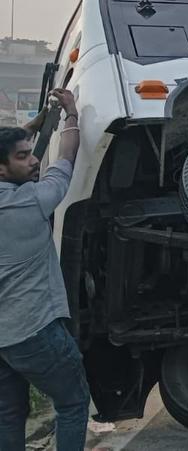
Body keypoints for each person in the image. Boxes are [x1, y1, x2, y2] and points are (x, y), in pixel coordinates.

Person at [0, 89, 90, 451]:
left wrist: (34, 125)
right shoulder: (29, 203)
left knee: (8, 415)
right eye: (24, 157)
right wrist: (71, 116)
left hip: (3, 338)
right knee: (72, 403)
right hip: (34, 331)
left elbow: (14, 152)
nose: (34, 161)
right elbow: (66, 159)